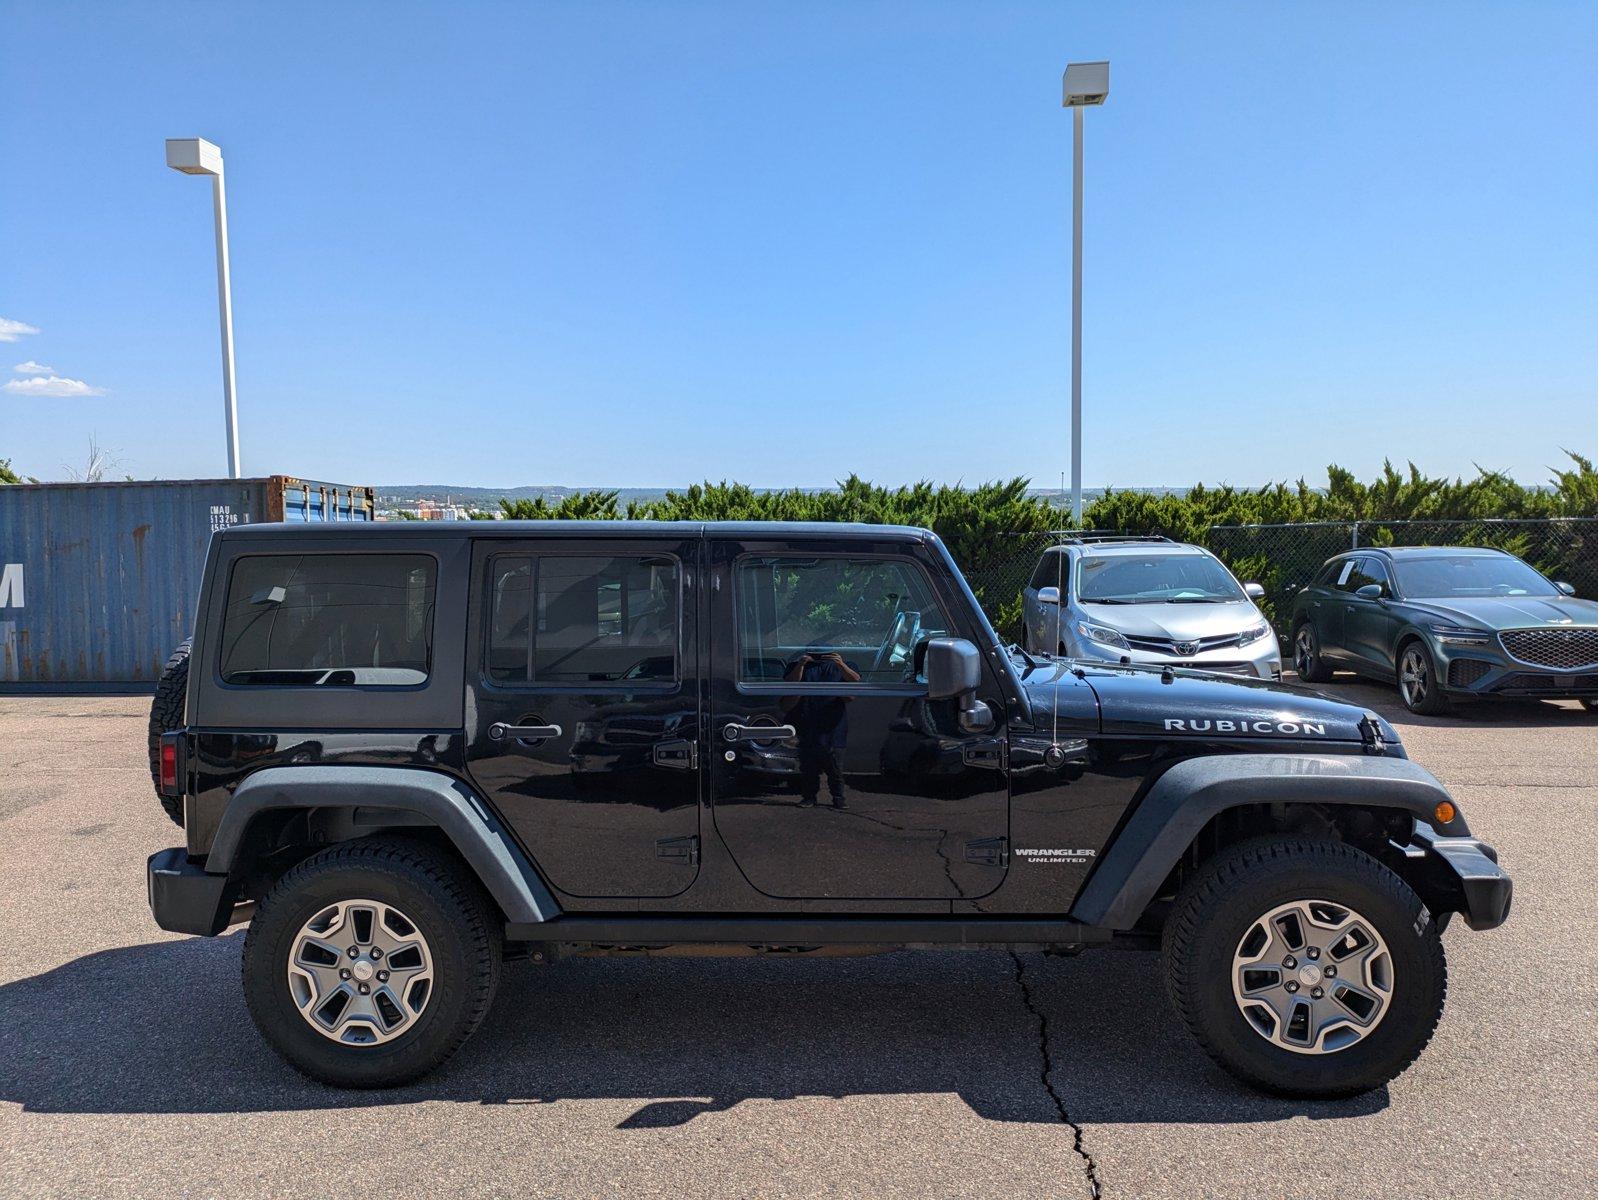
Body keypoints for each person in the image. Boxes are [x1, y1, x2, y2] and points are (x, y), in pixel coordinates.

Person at [782, 648, 860, 808]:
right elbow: (789, 685)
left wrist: (839, 663)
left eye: (824, 654)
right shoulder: (797, 665)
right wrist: (802, 664)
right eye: (816, 654)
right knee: (808, 765)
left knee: (835, 766)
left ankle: (838, 798)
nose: (820, 657)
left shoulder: (843, 665)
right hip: (807, 721)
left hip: (833, 725)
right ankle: (809, 797)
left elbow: (855, 682)